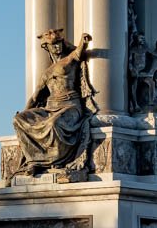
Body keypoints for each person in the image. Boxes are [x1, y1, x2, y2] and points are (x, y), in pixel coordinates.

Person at [13, 30, 96, 174]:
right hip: (50, 108)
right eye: (53, 44)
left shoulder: (69, 60)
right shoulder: (46, 73)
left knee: (53, 123)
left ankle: (55, 160)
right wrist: (25, 111)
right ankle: (34, 160)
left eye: (59, 43)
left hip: (70, 106)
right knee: (18, 119)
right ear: (47, 47)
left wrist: (84, 41)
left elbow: (78, 53)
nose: (57, 47)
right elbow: (35, 98)